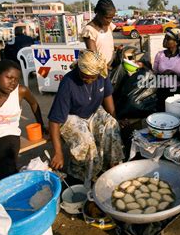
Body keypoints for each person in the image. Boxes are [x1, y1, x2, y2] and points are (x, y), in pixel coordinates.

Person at [48, 50, 125, 183]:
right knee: (86, 142)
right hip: (72, 116)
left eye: (92, 77)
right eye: (84, 76)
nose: (88, 80)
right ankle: (84, 176)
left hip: (93, 112)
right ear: (78, 68)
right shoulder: (68, 82)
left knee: (111, 126)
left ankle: (111, 165)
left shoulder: (102, 74)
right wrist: (58, 152)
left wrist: (114, 118)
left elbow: (108, 97)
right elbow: (54, 120)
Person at [153, 28, 180, 112]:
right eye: (165, 37)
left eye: (168, 38)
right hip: (161, 91)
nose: (165, 40)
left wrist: (172, 73)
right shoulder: (160, 55)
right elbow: (154, 72)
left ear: (177, 42)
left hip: (176, 92)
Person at [81, 0, 116, 66]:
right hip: (100, 69)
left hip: (111, 65)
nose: (110, 21)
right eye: (107, 17)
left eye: (112, 17)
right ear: (98, 13)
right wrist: (104, 67)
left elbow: (106, 44)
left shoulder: (108, 25)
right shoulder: (89, 30)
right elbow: (94, 55)